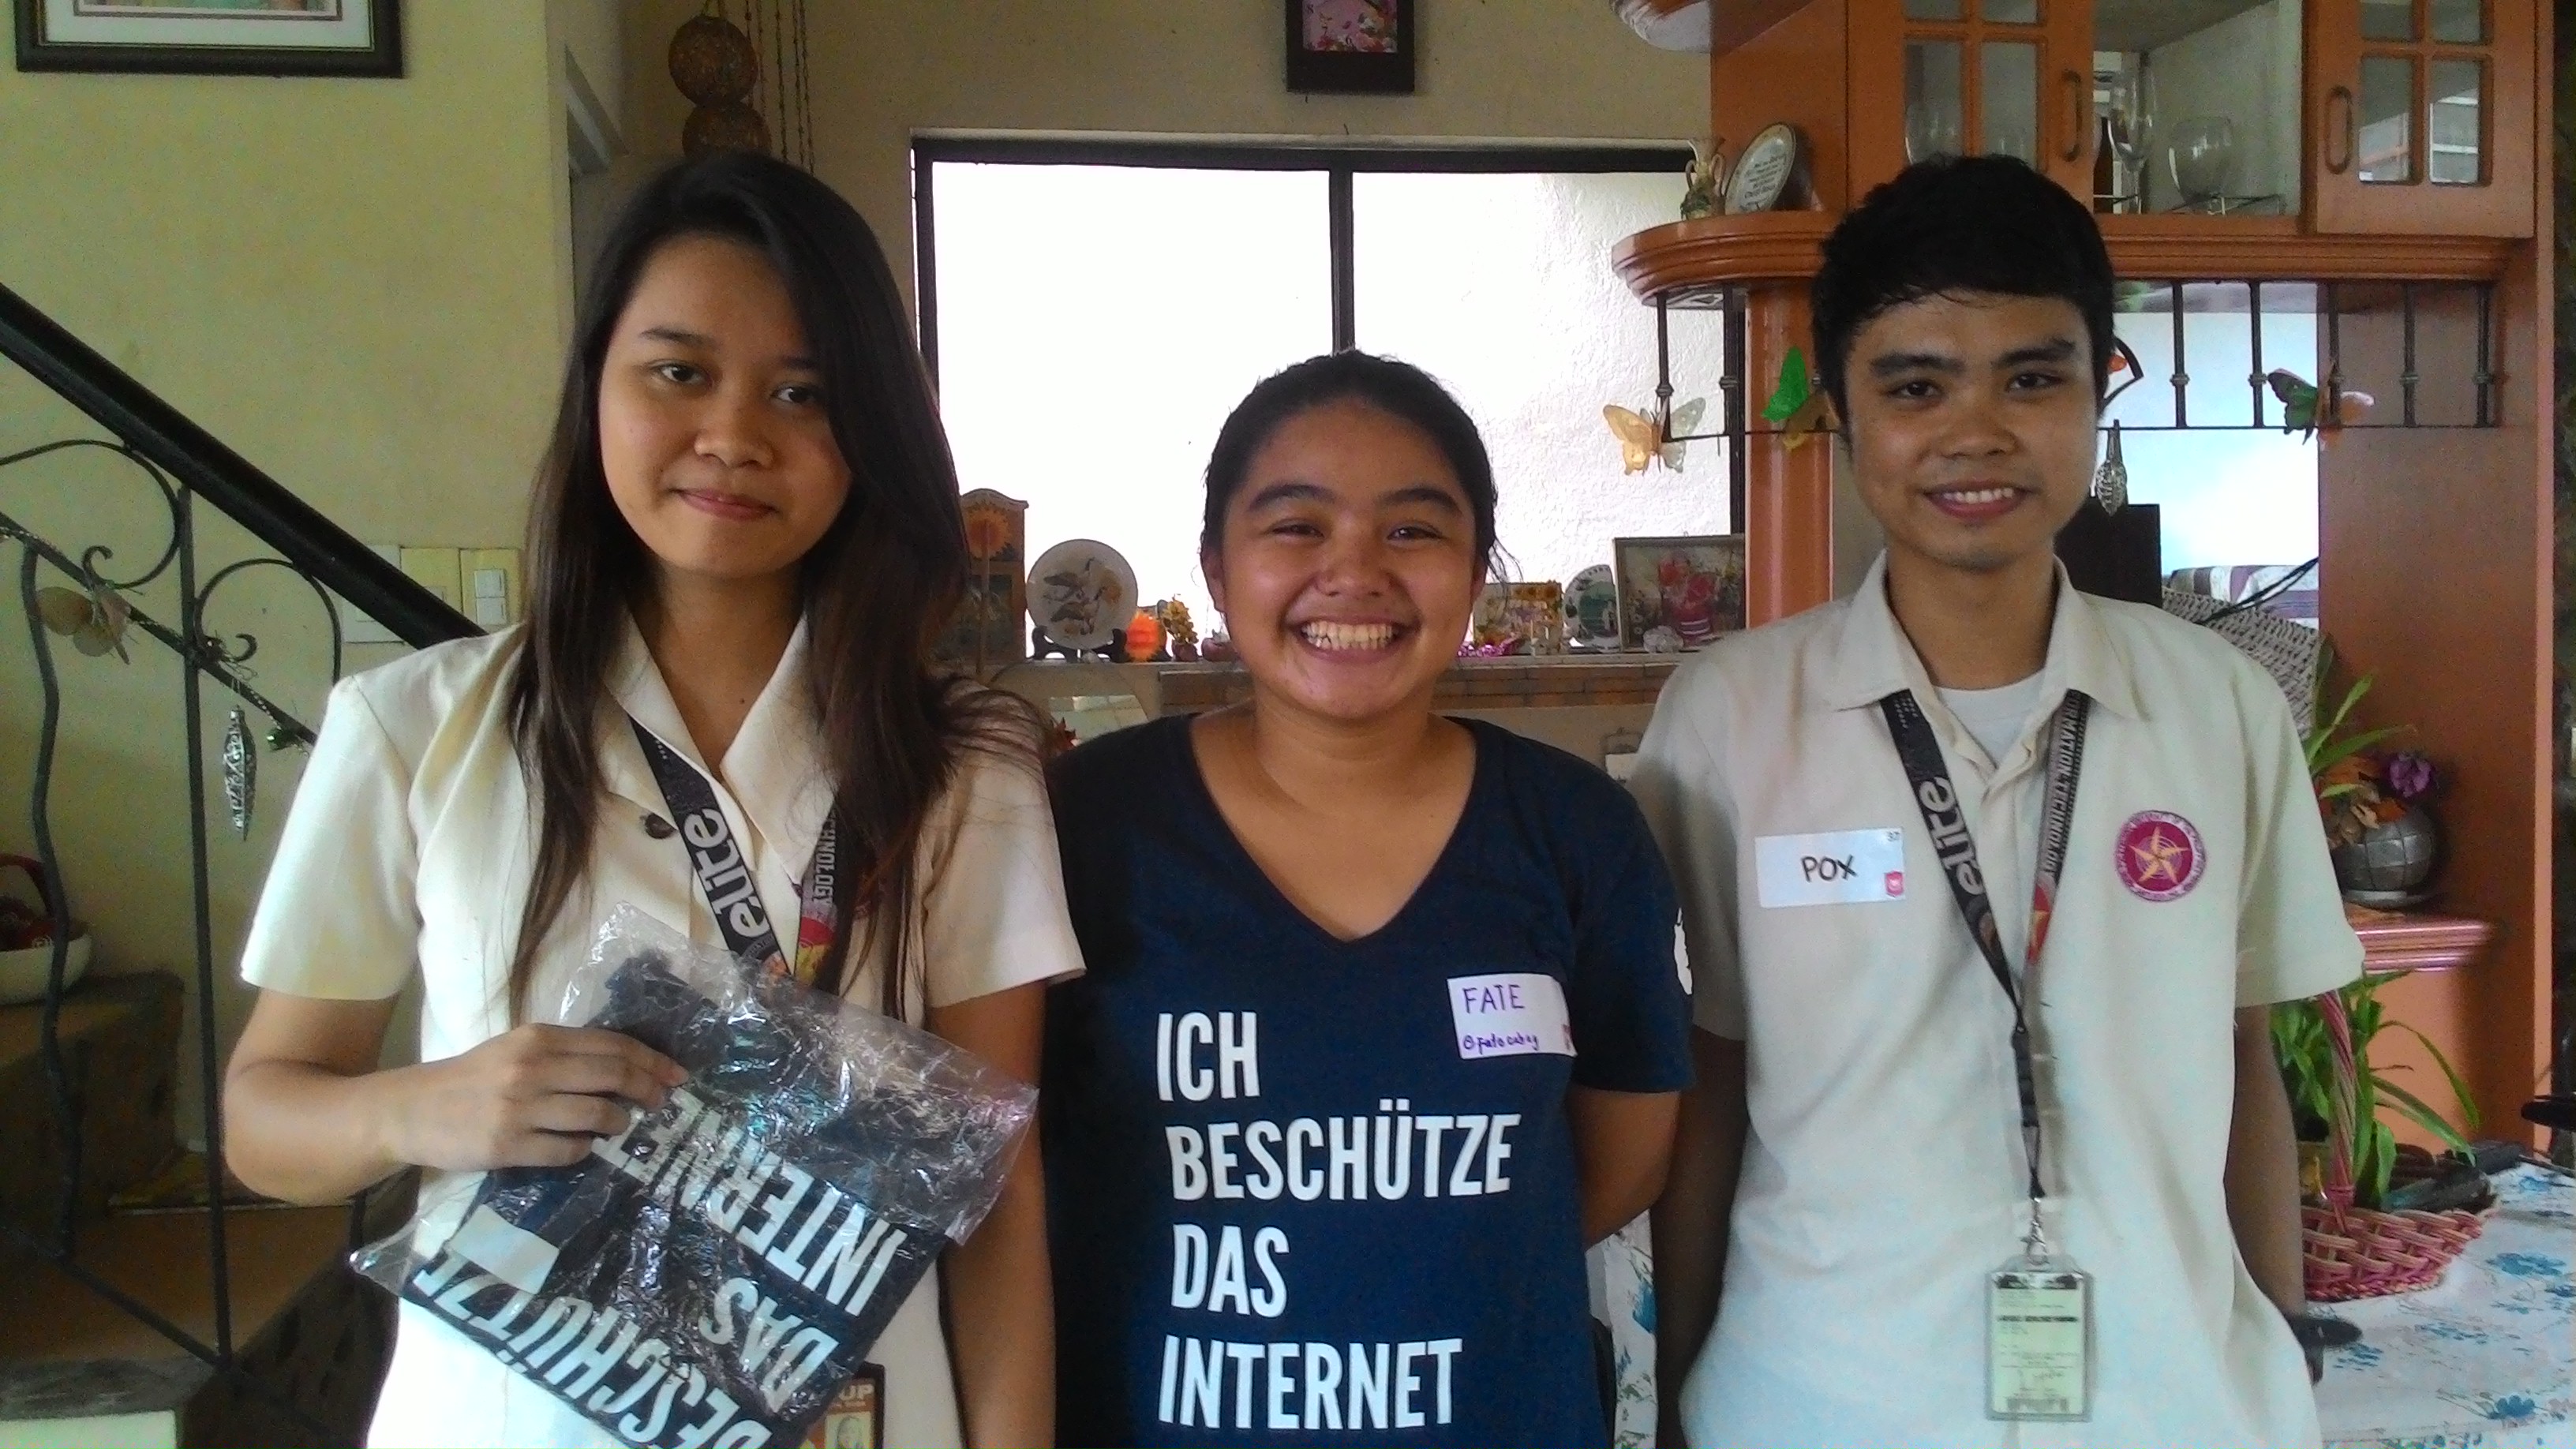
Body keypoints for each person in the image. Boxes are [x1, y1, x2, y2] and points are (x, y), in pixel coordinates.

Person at [221, 151, 1080, 1449]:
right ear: (598, 391)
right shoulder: (413, 726)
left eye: (802, 392)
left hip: (859, 1413)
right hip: (508, 1417)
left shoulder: (963, 763)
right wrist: (422, 1106)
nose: (734, 436)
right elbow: (261, 1121)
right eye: (679, 373)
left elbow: (996, 1191)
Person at [1637, 155, 2360, 1449]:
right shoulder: (1729, 719)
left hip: (2172, 1406)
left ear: (2098, 392)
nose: (1976, 433)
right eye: (1916, 386)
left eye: (2033, 379)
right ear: (1844, 413)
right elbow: (1711, 1074)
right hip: (1821, 1404)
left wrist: (2283, 1346)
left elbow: (2246, 1055)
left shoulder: (2219, 705)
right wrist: (1686, 1393)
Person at [1043, 351, 1694, 1447]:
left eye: (1412, 530)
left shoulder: (1577, 831)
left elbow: (1626, 1155)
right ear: (1216, 568)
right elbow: (1008, 1167)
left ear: (1476, 572)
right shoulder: (1087, 821)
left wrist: (1427, 1259)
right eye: (1297, 526)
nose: (1354, 573)